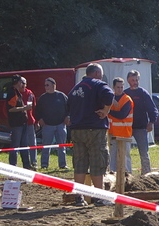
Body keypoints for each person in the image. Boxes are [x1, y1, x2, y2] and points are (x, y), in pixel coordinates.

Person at [67, 63, 115, 206]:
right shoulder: (98, 84)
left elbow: (68, 106)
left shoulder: (75, 89)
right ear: (96, 73)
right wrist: (106, 110)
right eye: (101, 74)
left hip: (77, 130)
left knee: (80, 163)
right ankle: (99, 197)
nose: (101, 77)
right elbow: (110, 95)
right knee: (97, 163)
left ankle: (79, 197)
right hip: (94, 129)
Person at [124, 70, 158, 174]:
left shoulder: (143, 93)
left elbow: (152, 109)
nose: (135, 82)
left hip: (141, 127)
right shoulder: (125, 93)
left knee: (144, 153)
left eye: (137, 80)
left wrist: (151, 122)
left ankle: (146, 174)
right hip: (127, 127)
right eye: (133, 80)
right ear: (128, 81)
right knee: (125, 152)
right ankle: (127, 173)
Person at [34, 76, 69, 169]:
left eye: (47, 85)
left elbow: (69, 107)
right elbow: (37, 110)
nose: (46, 87)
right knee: (46, 146)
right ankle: (44, 164)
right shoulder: (43, 98)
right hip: (47, 125)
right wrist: (39, 119)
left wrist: (67, 117)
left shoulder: (61, 96)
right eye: (45, 85)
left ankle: (63, 164)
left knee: (62, 146)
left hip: (60, 124)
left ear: (54, 85)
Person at [5, 74, 36, 169]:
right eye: (20, 82)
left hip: (23, 122)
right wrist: (24, 108)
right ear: (17, 83)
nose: (22, 84)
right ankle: (13, 164)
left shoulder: (17, 92)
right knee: (15, 144)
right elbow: (10, 109)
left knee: (24, 145)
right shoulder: (12, 93)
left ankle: (26, 165)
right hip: (17, 124)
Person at [108, 77, 134, 173]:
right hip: (112, 132)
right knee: (113, 155)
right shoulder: (110, 99)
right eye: (118, 87)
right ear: (113, 87)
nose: (120, 89)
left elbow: (122, 115)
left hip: (124, 132)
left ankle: (128, 174)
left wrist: (108, 111)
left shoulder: (127, 99)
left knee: (125, 156)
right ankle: (112, 174)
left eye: (121, 87)